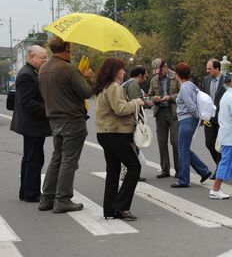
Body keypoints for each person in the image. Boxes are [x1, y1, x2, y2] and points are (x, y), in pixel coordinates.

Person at [38, 36, 93, 213]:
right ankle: (62, 199)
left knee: (57, 158)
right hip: (72, 119)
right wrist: (87, 78)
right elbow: (86, 92)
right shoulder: (69, 69)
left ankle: (46, 198)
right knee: (68, 160)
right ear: (67, 48)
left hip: (54, 119)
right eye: (71, 47)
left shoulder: (43, 68)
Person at [94, 58, 144, 220]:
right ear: (114, 71)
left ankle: (109, 209)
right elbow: (120, 109)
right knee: (134, 166)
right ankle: (121, 206)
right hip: (115, 133)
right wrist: (136, 102)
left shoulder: (103, 87)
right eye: (121, 69)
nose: (124, 72)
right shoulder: (114, 87)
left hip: (104, 133)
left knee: (113, 171)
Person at [10, 45, 50, 202]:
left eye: (46, 57)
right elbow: (27, 102)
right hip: (32, 125)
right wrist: (48, 111)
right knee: (34, 159)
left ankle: (26, 192)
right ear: (31, 57)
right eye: (42, 58)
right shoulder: (27, 74)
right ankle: (31, 193)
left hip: (31, 124)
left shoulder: (31, 72)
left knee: (31, 157)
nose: (45, 60)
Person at [171, 63, 212, 188]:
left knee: (182, 151)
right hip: (190, 120)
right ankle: (204, 171)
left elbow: (191, 106)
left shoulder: (184, 88)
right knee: (185, 149)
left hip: (186, 120)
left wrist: (198, 118)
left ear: (178, 74)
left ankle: (184, 180)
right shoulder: (192, 85)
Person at [149, 58, 180, 179]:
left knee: (175, 142)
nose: (158, 74)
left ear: (165, 67)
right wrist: (154, 98)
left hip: (174, 112)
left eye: (160, 71)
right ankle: (165, 169)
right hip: (160, 112)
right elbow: (150, 94)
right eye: (156, 72)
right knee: (162, 142)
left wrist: (170, 97)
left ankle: (179, 170)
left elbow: (182, 93)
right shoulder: (154, 80)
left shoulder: (175, 77)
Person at [122, 65, 149, 182]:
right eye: (145, 75)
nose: (146, 77)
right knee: (132, 147)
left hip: (128, 120)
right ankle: (130, 174)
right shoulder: (133, 85)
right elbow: (137, 102)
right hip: (131, 120)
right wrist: (150, 102)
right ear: (140, 75)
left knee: (132, 147)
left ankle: (129, 173)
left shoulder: (128, 83)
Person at [201, 58, 226, 171]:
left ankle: (219, 168)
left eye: (210, 68)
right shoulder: (206, 80)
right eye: (207, 68)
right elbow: (202, 98)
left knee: (220, 144)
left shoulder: (226, 81)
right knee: (209, 143)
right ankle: (219, 164)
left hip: (222, 117)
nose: (207, 71)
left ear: (217, 69)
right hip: (209, 117)